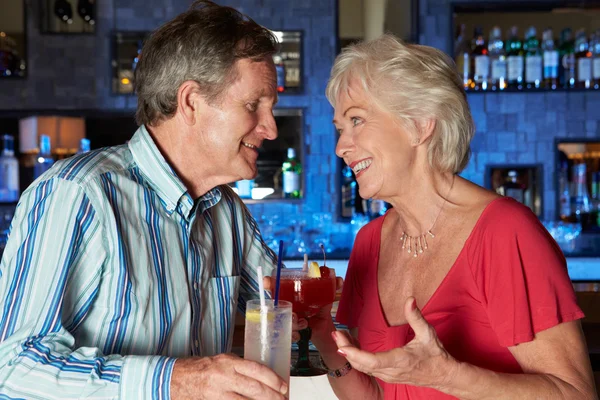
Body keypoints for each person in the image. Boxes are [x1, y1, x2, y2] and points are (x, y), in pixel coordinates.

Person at [0, 2, 293, 399]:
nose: (271, 129)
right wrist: (177, 381)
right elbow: (13, 365)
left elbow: (283, 308)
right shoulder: (77, 194)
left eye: (271, 108)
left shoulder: (227, 211)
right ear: (190, 102)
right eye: (253, 105)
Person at [311, 34, 598, 399]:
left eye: (357, 120)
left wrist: (448, 376)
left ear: (419, 124)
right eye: (340, 129)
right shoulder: (369, 242)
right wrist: (323, 335)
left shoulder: (504, 232)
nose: (341, 147)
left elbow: (576, 394)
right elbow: (375, 395)